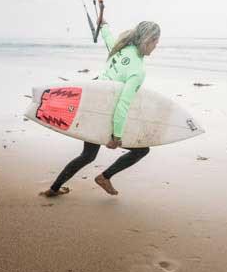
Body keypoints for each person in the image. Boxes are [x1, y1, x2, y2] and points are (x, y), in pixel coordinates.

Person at [40, 19, 161, 197]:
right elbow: (123, 104)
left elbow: (109, 40)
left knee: (88, 155)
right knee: (142, 150)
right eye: (155, 41)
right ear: (147, 40)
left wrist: (104, 26)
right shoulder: (138, 71)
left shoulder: (121, 48)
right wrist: (116, 136)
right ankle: (105, 177)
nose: (156, 46)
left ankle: (54, 189)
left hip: (92, 101)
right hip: (104, 112)